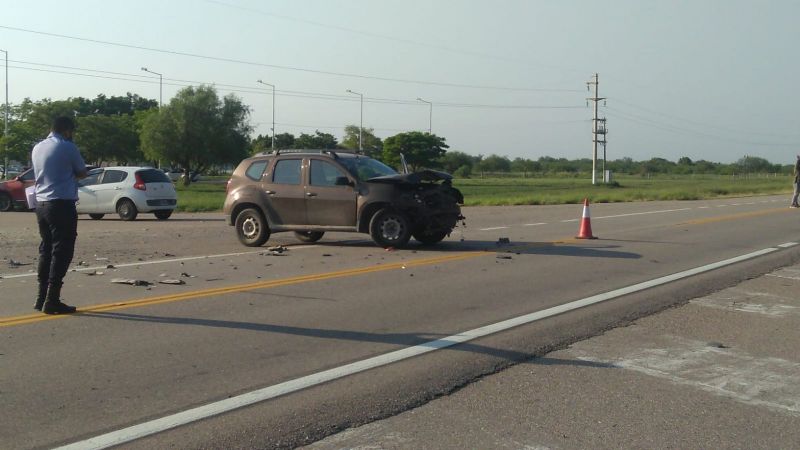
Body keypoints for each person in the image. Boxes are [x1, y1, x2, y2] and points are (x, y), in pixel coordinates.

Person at [31, 116, 87, 314]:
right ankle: (52, 299)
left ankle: (41, 297)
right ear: (66, 130)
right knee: (62, 251)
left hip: (41, 204)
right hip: (61, 204)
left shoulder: (38, 147)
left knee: (46, 250)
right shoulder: (67, 146)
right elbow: (82, 172)